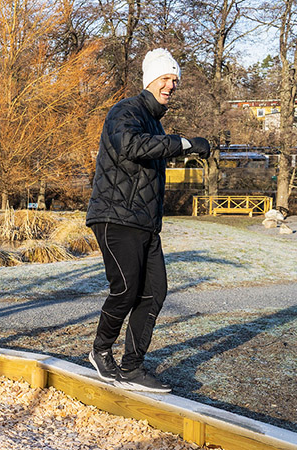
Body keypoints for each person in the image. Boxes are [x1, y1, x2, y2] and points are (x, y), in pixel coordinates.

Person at [84, 48, 211, 392]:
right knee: (126, 290)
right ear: (150, 79)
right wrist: (184, 143)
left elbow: (148, 152)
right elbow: (131, 145)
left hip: (143, 222)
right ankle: (100, 351)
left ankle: (133, 367)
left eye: (175, 80)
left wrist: (176, 146)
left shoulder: (154, 121)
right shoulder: (125, 111)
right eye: (165, 78)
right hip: (115, 216)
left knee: (154, 292)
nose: (171, 85)